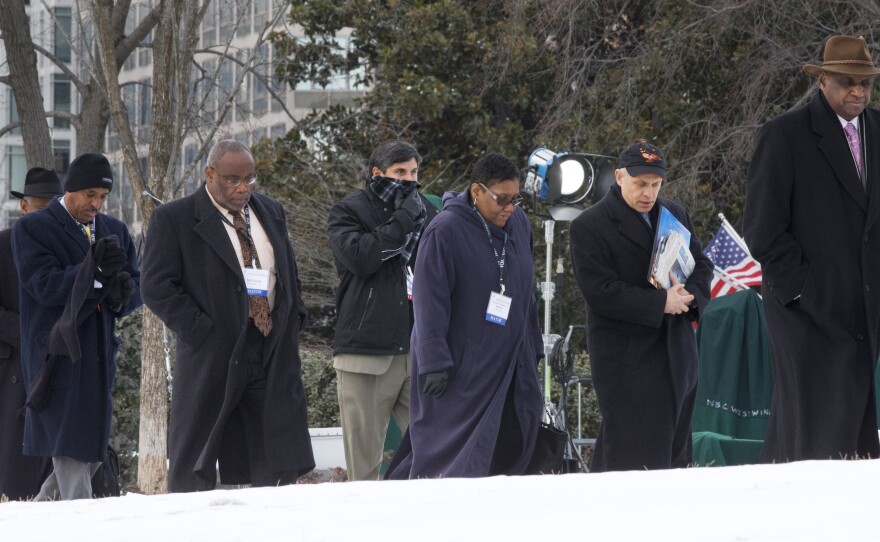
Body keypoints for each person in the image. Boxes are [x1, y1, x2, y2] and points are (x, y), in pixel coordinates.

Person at [140, 139, 314, 492]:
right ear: (210, 174)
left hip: (269, 347)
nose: (243, 188)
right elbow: (156, 287)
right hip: (214, 351)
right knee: (198, 455)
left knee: (274, 451)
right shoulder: (173, 218)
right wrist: (203, 331)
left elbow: (287, 272)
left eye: (250, 179)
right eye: (233, 180)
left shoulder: (271, 211)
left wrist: (294, 318)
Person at [743, 35, 880, 462]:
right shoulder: (784, 135)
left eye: (866, 83)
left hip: (865, 308)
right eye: (846, 81)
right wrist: (804, 289)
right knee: (812, 434)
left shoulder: (879, 129)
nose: (858, 91)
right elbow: (762, 230)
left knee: (856, 435)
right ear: (822, 81)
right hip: (805, 312)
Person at [386, 153, 544, 479]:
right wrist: (433, 362)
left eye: (516, 199)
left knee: (511, 445)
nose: (509, 208)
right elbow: (430, 303)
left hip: (511, 363)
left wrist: (533, 346)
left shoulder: (519, 223)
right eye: (502, 199)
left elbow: (525, 290)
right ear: (476, 191)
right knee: (448, 458)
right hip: (461, 369)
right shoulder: (444, 231)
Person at [569, 140, 712, 472]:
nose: (648, 192)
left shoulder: (674, 214)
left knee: (675, 456)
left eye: (655, 184)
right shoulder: (590, 225)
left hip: (678, 354)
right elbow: (601, 292)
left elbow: (702, 265)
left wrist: (688, 298)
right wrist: (661, 302)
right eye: (640, 184)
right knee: (631, 455)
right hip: (628, 361)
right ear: (619, 177)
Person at [12, 154, 141, 500]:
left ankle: (35, 522)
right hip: (56, 355)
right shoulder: (32, 228)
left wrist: (120, 290)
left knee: (88, 451)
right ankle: (79, 527)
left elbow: (135, 288)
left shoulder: (115, 230)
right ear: (70, 189)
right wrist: (93, 276)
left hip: (100, 357)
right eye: (90, 195)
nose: (97, 204)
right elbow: (41, 284)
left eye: (103, 196)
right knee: (69, 447)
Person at [326, 140, 439, 481]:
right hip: (367, 351)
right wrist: (403, 220)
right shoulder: (349, 211)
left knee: (434, 452)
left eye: (414, 172)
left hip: (418, 349)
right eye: (400, 172)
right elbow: (362, 258)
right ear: (378, 173)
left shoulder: (427, 212)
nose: (409, 180)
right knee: (365, 466)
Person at [0, 168, 63, 500]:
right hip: (14, 362)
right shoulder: (2, 244)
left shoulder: (70, 248)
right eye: (41, 206)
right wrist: (29, 334)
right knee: (14, 447)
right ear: (23, 207)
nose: (47, 214)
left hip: (59, 359)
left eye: (54, 206)